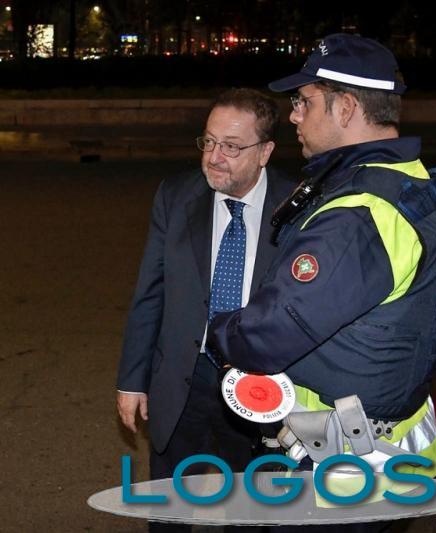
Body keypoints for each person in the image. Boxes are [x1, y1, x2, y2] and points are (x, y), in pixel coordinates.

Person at [206, 33, 436, 530]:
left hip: (341, 466)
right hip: (393, 445)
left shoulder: (360, 217)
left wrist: (220, 331)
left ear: (346, 108)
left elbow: (266, 336)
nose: (294, 116)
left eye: (305, 102)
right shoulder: (425, 187)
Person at [116, 88, 297, 530]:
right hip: (184, 379)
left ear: (265, 152)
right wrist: (132, 380)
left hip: (261, 387)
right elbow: (151, 293)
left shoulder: (298, 206)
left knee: (254, 512)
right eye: (209, 141)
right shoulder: (176, 195)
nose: (215, 157)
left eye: (232, 147)